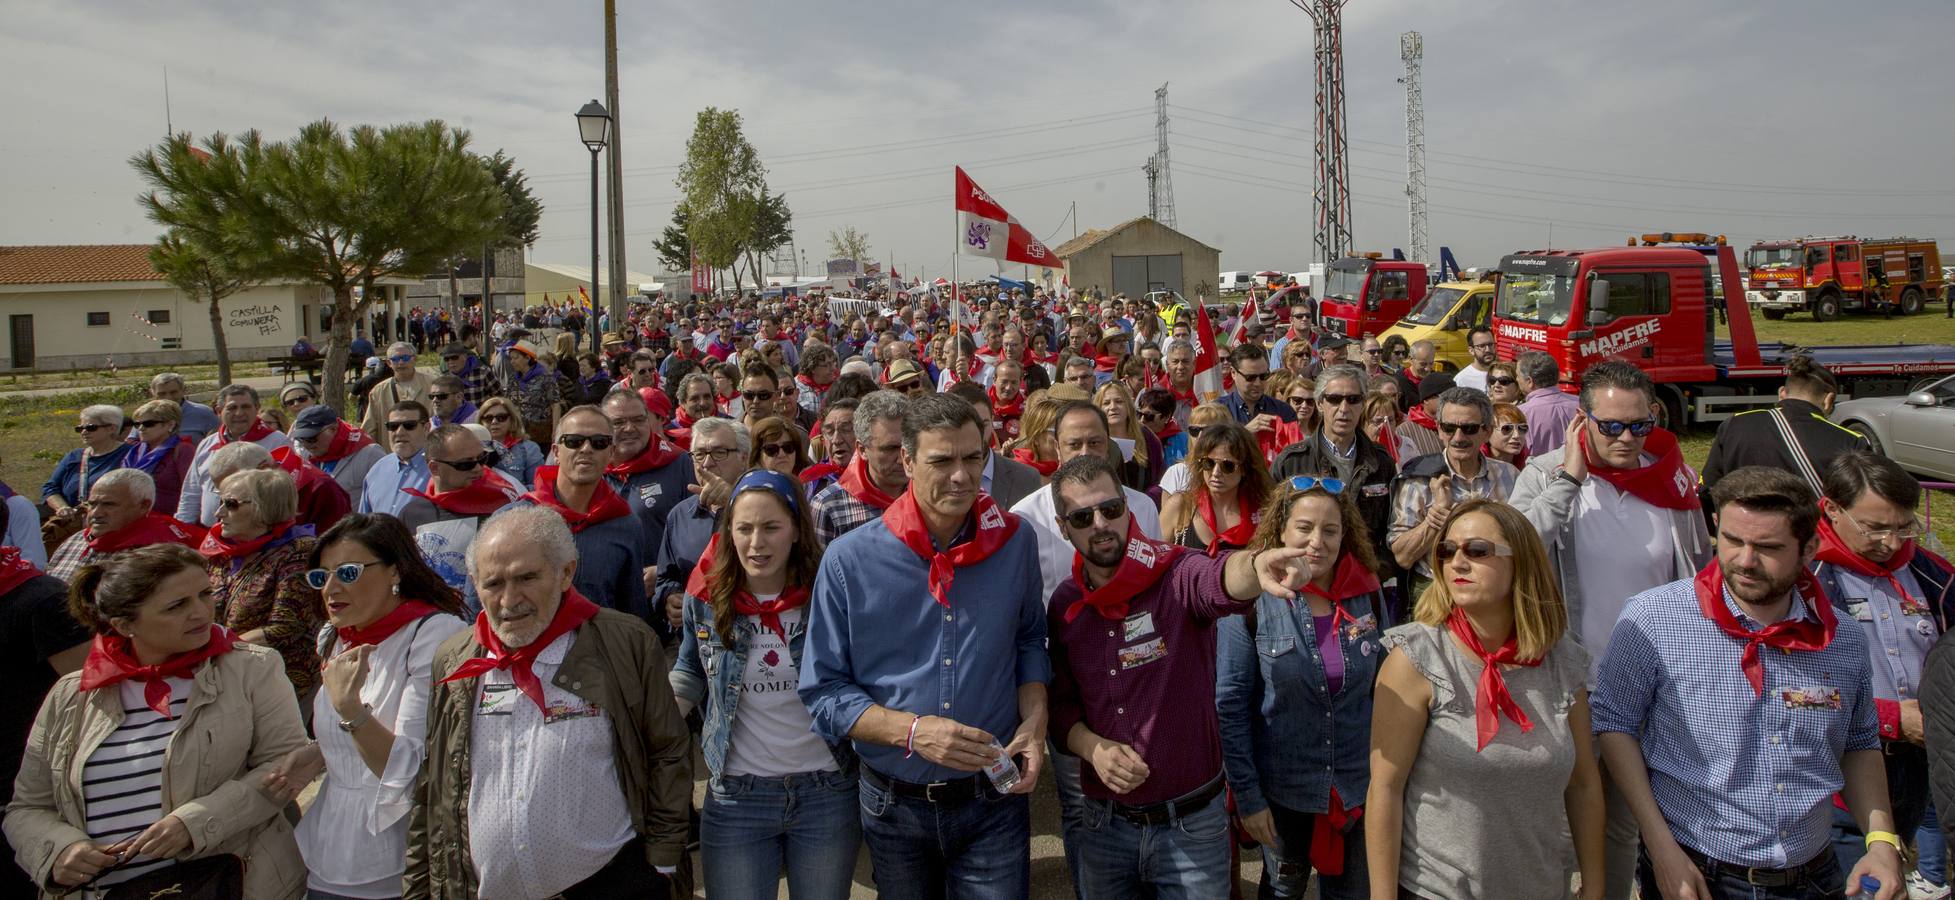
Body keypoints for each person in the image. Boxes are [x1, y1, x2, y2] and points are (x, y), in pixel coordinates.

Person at [1592, 468, 1902, 900]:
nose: (1745, 560)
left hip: (1814, 873)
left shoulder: (1842, 637)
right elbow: (1614, 724)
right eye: (1733, 541)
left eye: (1768, 548)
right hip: (1698, 872)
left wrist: (1881, 841)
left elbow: (1858, 741)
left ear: (1809, 548)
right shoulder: (1655, 618)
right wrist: (1661, 848)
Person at [799, 393, 1048, 897]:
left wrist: (1036, 723)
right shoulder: (849, 561)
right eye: (942, 460)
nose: (961, 476)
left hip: (992, 798)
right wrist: (914, 732)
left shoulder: (1016, 541)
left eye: (972, 458)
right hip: (895, 805)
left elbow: (1028, 640)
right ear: (907, 461)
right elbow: (824, 693)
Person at [1042, 453, 1296, 897]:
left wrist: (1253, 567)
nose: (1100, 523)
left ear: (1128, 507)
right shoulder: (1066, 605)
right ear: (1064, 528)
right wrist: (1093, 748)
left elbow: (1218, 578)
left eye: (1111, 509)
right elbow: (1061, 708)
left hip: (1192, 828)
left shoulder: (1173, 571)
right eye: (1082, 517)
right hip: (1105, 827)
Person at [405, 507, 691, 899]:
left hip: (611, 882)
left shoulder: (624, 643)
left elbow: (667, 752)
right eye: (493, 583)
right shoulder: (454, 660)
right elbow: (434, 785)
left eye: (527, 577)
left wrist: (662, 859)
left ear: (565, 573)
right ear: (474, 583)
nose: (509, 599)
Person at [1507, 360, 1712, 898]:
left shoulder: (1670, 476)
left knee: (1625, 825)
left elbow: (1699, 571)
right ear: (1583, 421)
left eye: (1640, 425)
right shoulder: (1546, 472)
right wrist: (1571, 478)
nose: (1627, 438)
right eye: (1612, 426)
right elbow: (1512, 546)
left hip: (1648, 694)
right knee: (1555, 823)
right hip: (1568, 685)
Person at [3, 544, 308, 898]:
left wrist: (196, 822)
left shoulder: (251, 669)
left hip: (228, 882)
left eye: (205, 594)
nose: (201, 612)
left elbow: (285, 768)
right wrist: (58, 849)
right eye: (177, 605)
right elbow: (27, 807)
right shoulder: (73, 693)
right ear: (124, 623)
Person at [1368, 499, 1605, 900]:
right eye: (1446, 550)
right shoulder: (1416, 658)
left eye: (1477, 551)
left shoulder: (1563, 661)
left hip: (1542, 887)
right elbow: (1385, 789)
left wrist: (1596, 886)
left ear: (1522, 563)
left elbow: (1583, 784)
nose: (1457, 562)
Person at [255, 514, 470, 900]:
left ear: (395, 571)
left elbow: (408, 769)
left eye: (348, 572)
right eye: (321, 577)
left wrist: (350, 709)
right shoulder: (334, 636)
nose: (331, 588)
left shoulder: (435, 635)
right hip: (330, 842)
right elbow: (350, 735)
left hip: (396, 848)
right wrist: (320, 754)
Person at [669, 470, 860, 900]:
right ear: (729, 533)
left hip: (825, 792)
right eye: (745, 529)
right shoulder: (705, 599)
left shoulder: (830, 595)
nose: (757, 543)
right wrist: (648, 721)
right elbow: (689, 673)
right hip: (738, 796)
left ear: (796, 531)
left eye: (771, 528)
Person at [1217, 476, 1391, 900]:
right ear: (1280, 531)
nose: (1317, 541)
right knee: (1281, 891)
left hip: (1356, 791)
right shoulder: (1250, 601)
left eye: (1330, 530)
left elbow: (1385, 689)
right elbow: (1230, 707)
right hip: (1282, 795)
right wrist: (1249, 799)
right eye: (1304, 528)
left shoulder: (1366, 594)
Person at [1811, 452, 1950, 872]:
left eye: (1903, 527)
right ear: (1832, 508)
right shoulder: (1801, 579)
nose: (1891, 542)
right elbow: (1787, 687)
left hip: (1915, 768)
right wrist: (1889, 718)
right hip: (1830, 777)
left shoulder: (1935, 575)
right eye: (1874, 528)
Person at [1010, 401, 1165, 604]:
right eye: (1074, 445)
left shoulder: (1143, 506)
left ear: (1108, 444)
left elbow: (1155, 578)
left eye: (1094, 443)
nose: (1085, 453)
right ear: (1057, 447)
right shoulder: (1026, 515)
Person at [510, 406, 648, 621]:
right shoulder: (513, 519)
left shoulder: (626, 524)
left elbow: (632, 611)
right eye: (574, 441)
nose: (586, 449)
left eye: (599, 442)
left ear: (611, 452)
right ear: (556, 452)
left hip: (599, 649)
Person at [202, 467, 325, 702]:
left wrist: (212, 650)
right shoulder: (221, 553)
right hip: (221, 674)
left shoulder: (300, 552)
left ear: (266, 507)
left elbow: (285, 628)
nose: (218, 513)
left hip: (276, 680)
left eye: (231, 504)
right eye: (220, 502)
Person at [1387, 388, 1519, 600]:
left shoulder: (1509, 477)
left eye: (1469, 428)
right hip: (1435, 592)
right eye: (1449, 428)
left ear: (1486, 431)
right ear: (1439, 430)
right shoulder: (1418, 479)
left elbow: (1523, 543)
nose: (1458, 437)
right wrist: (1435, 518)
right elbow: (1402, 557)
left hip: (1496, 592)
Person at [1271, 365, 1399, 568]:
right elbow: (1272, 526)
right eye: (1334, 399)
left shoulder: (1381, 462)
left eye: (1353, 399)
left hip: (1362, 576)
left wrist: (1377, 569)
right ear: (1320, 404)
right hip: (1306, 574)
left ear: (1362, 404)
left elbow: (1391, 529)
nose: (1344, 408)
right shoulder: (1292, 461)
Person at [1700, 356, 1870, 496]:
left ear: (1782, 393)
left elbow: (1707, 489)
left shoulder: (1734, 425)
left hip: (1745, 532)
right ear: (1829, 400)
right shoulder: (1851, 442)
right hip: (1809, 535)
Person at [397, 425, 524, 593]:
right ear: (434, 468)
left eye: (481, 459)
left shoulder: (504, 504)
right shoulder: (412, 514)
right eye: (465, 464)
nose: (478, 468)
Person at [654, 417, 749, 634]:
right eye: (699, 454)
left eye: (719, 453)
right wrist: (670, 598)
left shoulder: (767, 504)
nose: (707, 463)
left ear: (743, 458)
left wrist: (734, 503)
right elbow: (665, 577)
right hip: (694, 643)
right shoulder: (679, 515)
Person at [600, 388, 694, 608]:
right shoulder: (589, 467)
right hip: (605, 604)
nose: (630, 428)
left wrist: (665, 574)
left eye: (638, 420)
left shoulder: (679, 463)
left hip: (660, 603)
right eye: (619, 422)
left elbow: (696, 534)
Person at [45, 469, 203, 583]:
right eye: (92, 504)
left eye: (109, 505)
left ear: (143, 506)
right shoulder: (77, 538)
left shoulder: (157, 553)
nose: (96, 513)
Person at [177, 384, 292, 526]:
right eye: (232, 408)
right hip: (209, 532)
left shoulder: (277, 441)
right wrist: (183, 527)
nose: (239, 413)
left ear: (257, 408)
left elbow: (284, 492)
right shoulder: (207, 444)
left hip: (256, 532)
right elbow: (191, 492)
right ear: (218, 411)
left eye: (246, 407)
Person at [809, 390, 912, 544]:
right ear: (863, 449)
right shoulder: (829, 506)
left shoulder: (929, 494)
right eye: (890, 449)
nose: (902, 459)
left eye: (908, 447)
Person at [1160, 421, 1274, 555]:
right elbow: (1156, 562)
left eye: (1228, 466)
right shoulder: (1180, 506)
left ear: (1245, 468)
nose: (1215, 473)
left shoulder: (1264, 513)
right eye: (1208, 463)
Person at [945, 381, 1044, 511]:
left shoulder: (1027, 478)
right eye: (965, 426)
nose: (977, 435)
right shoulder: (935, 477)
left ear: (992, 420)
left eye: (982, 424)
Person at [42, 405, 134, 536]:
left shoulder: (131, 454)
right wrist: (62, 508)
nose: (84, 432)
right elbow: (50, 488)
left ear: (112, 428)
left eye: (91, 427)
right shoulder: (74, 456)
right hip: (74, 528)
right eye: (80, 428)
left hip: (113, 528)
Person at [291, 404, 387, 501]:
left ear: (333, 429)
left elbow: (385, 499)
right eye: (301, 438)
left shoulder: (369, 454)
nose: (307, 444)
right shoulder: (305, 455)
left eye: (311, 437)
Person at [357, 401, 434, 519]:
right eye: (393, 426)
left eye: (409, 425)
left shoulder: (440, 468)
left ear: (426, 428)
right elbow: (364, 523)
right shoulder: (377, 471)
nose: (399, 432)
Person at [121, 398, 196, 515]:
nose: (141, 428)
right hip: (135, 517)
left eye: (148, 424)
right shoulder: (133, 452)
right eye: (137, 424)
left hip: (169, 519)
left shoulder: (182, 450)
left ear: (170, 424)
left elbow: (192, 491)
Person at [360, 343, 435, 437]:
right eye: (395, 359)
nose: (400, 362)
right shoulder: (379, 391)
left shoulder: (433, 384)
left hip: (427, 447)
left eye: (405, 358)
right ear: (389, 363)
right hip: (392, 448)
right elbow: (369, 429)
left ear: (415, 359)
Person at [1515, 351, 1579, 458]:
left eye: (1517, 375)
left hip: (1539, 473)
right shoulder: (1581, 404)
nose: (1516, 379)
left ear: (1529, 381)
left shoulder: (1521, 413)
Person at [503, 339, 562, 447]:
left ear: (527, 358)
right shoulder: (513, 379)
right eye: (511, 358)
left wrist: (555, 431)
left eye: (516, 358)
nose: (512, 361)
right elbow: (508, 403)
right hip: (517, 434)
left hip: (540, 435)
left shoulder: (546, 378)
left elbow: (556, 405)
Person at [1222, 343, 1296, 429]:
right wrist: (1246, 433)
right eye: (1250, 377)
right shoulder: (1218, 412)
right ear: (1233, 373)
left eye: (1263, 376)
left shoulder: (1284, 411)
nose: (1257, 383)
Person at [477, 396, 544, 486]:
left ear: (512, 421)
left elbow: (537, 487)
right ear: (481, 422)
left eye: (501, 417)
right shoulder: (472, 449)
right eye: (488, 418)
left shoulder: (529, 449)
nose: (494, 422)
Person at [1394, 372, 1454, 460]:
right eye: (1444, 396)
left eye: (1453, 396)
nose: (1450, 401)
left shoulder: (1458, 425)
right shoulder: (1405, 430)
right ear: (1426, 399)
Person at [149, 372, 221, 445]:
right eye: (162, 394)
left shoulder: (204, 413)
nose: (168, 398)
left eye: (173, 392)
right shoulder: (146, 416)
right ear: (152, 393)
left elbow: (218, 442)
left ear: (183, 390)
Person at [748, 415, 813, 477]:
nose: (781, 454)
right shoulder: (751, 487)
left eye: (788, 447)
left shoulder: (813, 483)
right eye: (771, 449)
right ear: (757, 456)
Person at [1451, 328, 1497, 392]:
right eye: (1482, 346)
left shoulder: (1504, 374)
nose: (1488, 350)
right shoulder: (1461, 380)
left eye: (1490, 344)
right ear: (1471, 350)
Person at [1486, 402, 1529, 468]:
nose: (1516, 435)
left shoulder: (1530, 467)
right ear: (1487, 433)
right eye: (1507, 428)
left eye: (1522, 428)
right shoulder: (1473, 467)